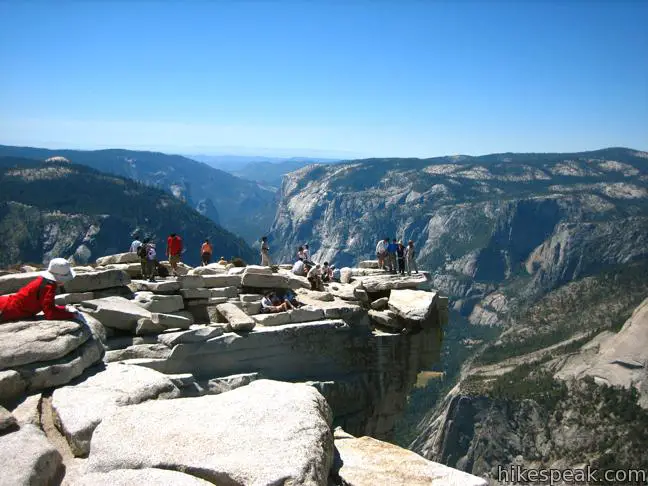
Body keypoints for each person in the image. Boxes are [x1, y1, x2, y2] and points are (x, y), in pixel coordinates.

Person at [0, 258, 81, 323]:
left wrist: (64, 308)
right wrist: (72, 315)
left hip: (6, 303)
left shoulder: (43, 280)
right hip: (6, 311)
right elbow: (50, 314)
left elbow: (46, 306)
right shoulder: (48, 287)